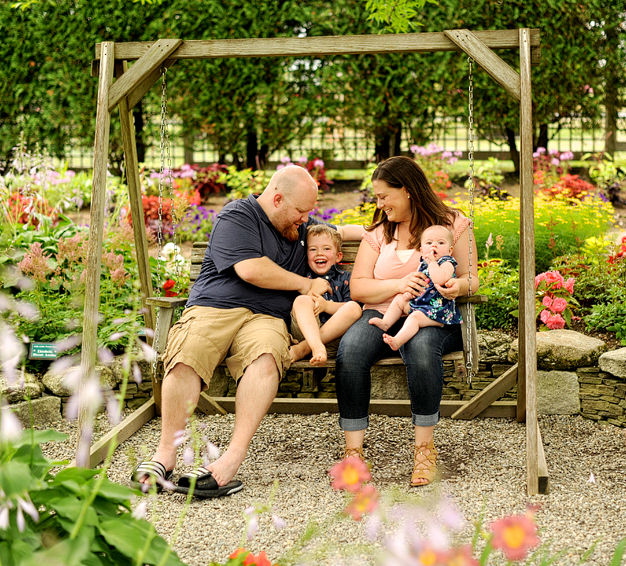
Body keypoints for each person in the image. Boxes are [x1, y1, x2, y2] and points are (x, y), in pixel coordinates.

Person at [131, 166, 361, 498]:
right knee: (187, 354)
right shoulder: (238, 215)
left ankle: (229, 461)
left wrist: (377, 231)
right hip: (215, 306)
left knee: (267, 356)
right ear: (278, 199)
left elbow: (337, 230)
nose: (306, 218)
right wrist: (306, 284)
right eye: (301, 211)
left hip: (266, 316)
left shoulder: (300, 228)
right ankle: (165, 455)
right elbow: (252, 269)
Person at [335, 156, 478, 487]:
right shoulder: (381, 231)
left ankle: (424, 450)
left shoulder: (452, 224)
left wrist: (457, 285)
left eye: (385, 195)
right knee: (351, 349)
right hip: (383, 311)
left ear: (409, 190)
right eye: (377, 197)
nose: (379, 203)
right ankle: (353, 454)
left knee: (422, 348)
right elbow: (358, 287)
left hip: (432, 315)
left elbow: (472, 279)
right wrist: (397, 286)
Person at [368, 224, 462, 351]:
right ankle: (386, 323)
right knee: (399, 299)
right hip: (420, 304)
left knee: (414, 318)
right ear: (422, 251)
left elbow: (439, 280)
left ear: (450, 250)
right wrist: (411, 294)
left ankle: (397, 340)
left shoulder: (447, 263)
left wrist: (433, 263)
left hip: (438, 311)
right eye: (429, 243)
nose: (434, 246)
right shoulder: (424, 264)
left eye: (441, 243)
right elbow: (421, 284)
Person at [288, 224, 363, 366]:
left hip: (334, 337)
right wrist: (310, 294)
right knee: (302, 300)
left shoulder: (346, 279)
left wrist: (327, 306)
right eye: (313, 249)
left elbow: (356, 309)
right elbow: (297, 309)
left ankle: (305, 349)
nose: (319, 253)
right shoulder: (303, 278)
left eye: (326, 248)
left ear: (338, 256)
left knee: (353, 307)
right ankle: (315, 346)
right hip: (305, 332)